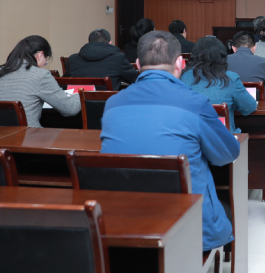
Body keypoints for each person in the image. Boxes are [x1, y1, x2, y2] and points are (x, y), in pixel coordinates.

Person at [100, 31, 240, 253]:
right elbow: (227, 154)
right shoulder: (195, 103)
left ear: (138, 64)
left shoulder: (113, 103)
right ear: (180, 63)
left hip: (123, 222)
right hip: (186, 226)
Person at [0, 35, 81, 127]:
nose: (43, 65)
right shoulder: (41, 75)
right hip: (28, 135)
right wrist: (78, 95)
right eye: (45, 61)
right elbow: (70, 109)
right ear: (40, 55)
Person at [180, 37, 257, 132]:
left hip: (190, 135)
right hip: (223, 138)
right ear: (222, 56)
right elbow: (250, 107)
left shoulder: (182, 77)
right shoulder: (230, 78)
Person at [64, 28, 138, 90]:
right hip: (108, 102)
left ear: (90, 43)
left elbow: (63, 82)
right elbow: (135, 79)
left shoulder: (73, 59)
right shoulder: (118, 58)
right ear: (110, 43)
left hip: (79, 102)